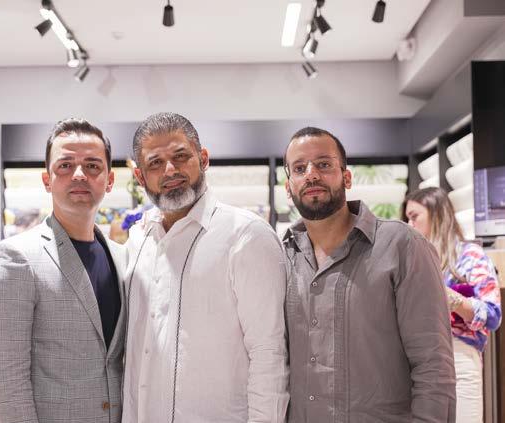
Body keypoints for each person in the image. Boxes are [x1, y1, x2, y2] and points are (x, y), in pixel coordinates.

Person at [122, 112, 289, 422]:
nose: (170, 170)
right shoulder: (138, 240)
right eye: (155, 163)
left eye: (180, 156)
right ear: (140, 178)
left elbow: (269, 354)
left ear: (203, 158)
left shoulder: (246, 235)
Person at [282, 127, 456, 423]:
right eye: (299, 168)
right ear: (288, 187)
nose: (311, 175)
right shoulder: (282, 257)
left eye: (323, 164)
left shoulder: (403, 246)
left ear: (347, 177)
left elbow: (433, 366)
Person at [0, 118, 128, 423]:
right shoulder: (16, 258)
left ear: (109, 180)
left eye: (92, 166)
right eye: (65, 165)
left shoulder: (122, 257)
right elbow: (6, 384)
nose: (79, 174)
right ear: (47, 180)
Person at [404, 187, 501, 423]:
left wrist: (453, 299)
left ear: (436, 215)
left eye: (414, 216)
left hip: (459, 358)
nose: (409, 224)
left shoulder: (470, 257)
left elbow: (492, 315)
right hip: (416, 362)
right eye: (407, 218)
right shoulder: (410, 260)